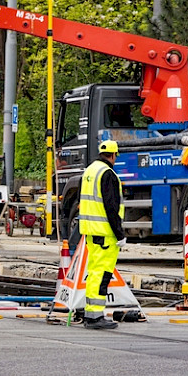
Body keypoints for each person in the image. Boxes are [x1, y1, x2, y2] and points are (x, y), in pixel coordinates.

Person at [80, 139, 125, 330]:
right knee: (102, 275)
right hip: (105, 234)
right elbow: (111, 206)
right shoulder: (108, 174)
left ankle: (91, 314)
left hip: (91, 232)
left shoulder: (90, 170)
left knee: (94, 273)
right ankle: (95, 317)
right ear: (114, 155)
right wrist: (120, 233)